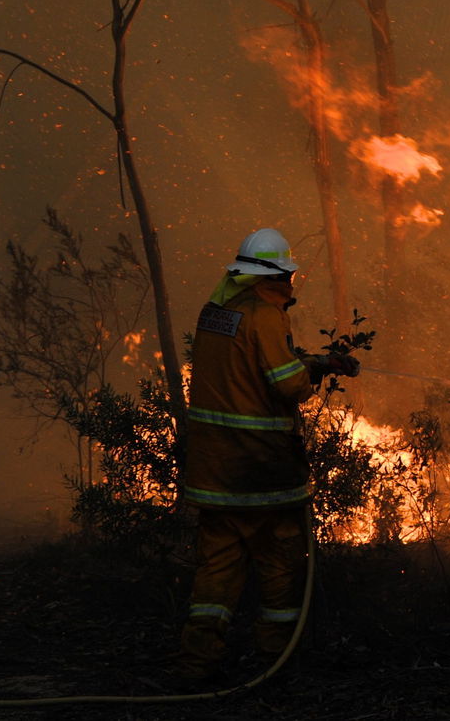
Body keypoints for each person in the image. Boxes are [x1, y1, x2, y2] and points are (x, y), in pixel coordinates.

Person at [173, 227, 357, 681]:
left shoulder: (215, 311)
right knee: (280, 567)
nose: (291, 285)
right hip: (262, 472)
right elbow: (287, 384)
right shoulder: (265, 316)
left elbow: (245, 369)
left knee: (215, 574)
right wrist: (312, 371)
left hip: (214, 472)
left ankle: (197, 665)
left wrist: (313, 361)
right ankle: (274, 664)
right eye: (288, 277)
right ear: (274, 277)